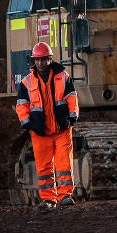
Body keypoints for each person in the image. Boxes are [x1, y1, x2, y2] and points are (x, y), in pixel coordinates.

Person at [16, 41, 79, 209]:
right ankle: (48, 199)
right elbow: (21, 105)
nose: (40, 63)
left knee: (64, 163)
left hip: (61, 128)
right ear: (33, 61)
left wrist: (72, 117)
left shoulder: (63, 76)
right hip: (39, 130)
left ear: (50, 59)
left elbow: (72, 96)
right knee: (43, 167)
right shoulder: (26, 82)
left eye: (43, 59)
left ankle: (65, 195)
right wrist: (27, 124)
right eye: (37, 60)